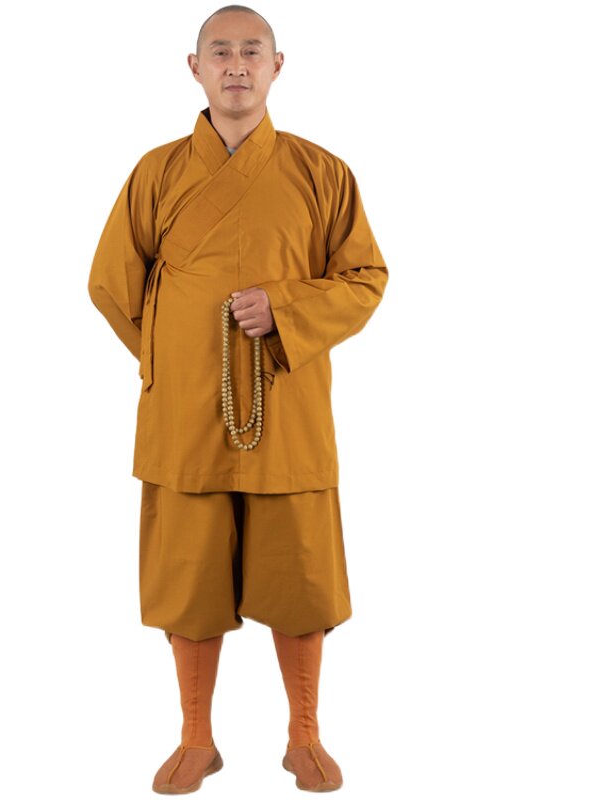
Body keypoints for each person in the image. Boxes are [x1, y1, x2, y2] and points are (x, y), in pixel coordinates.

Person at [87, 5, 388, 793]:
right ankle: (196, 738)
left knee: (302, 577)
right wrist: (178, 359)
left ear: (277, 65)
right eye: (220, 52)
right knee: (188, 580)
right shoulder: (156, 172)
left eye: (252, 51)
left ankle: (304, 734)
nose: (236, 65)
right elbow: (111, 284)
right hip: (185, 417)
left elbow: (366, 279)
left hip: (287, 409)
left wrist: (285, 310)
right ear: (194, 67)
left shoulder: (322, 172)